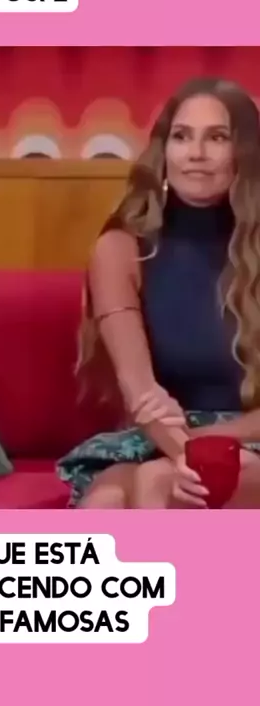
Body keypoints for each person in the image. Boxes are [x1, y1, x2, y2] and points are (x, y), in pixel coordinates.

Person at [57, 76, 260, 509]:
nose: (196, 153)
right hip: (160, 434)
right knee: (107, 503)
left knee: (158, 483)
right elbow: (141, 393)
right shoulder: (121, 248)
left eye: (217, 138)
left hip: (250, 436)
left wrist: (207, 449)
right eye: (181, 136)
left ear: (245, 152)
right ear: (164, 151)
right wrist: (188, 451)